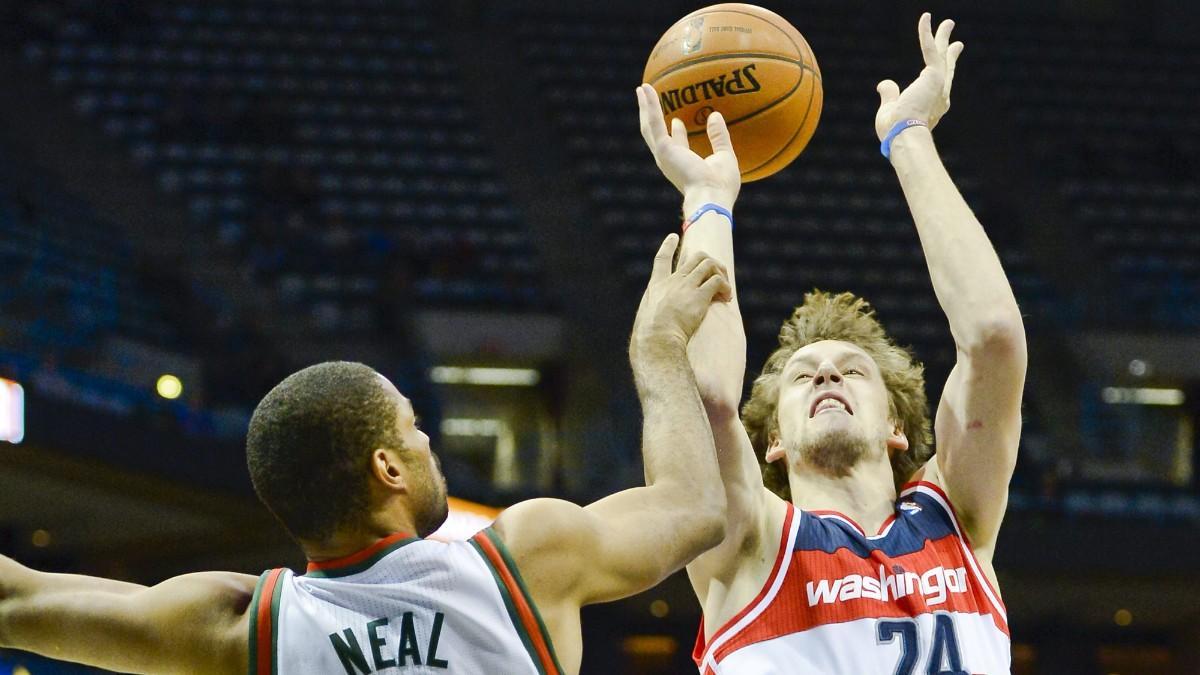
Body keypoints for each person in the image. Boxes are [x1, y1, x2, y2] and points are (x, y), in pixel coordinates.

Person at [0, 235, 733, 675]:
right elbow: (693, 506)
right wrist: (658, 346)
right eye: (413, 428)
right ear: (387, 468)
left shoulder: (246, 629)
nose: (427, 443)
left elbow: (16, 599)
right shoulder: (522, 563)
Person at [636, 13, 1025, 674]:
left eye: (852, 370)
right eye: (802, 375)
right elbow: (704, 398)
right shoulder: (749, 544)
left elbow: (993, 336)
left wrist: (909, 136)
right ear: (775, 442)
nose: (825, 375)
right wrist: (707, 199)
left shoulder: (956, 521)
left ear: (897, 426)